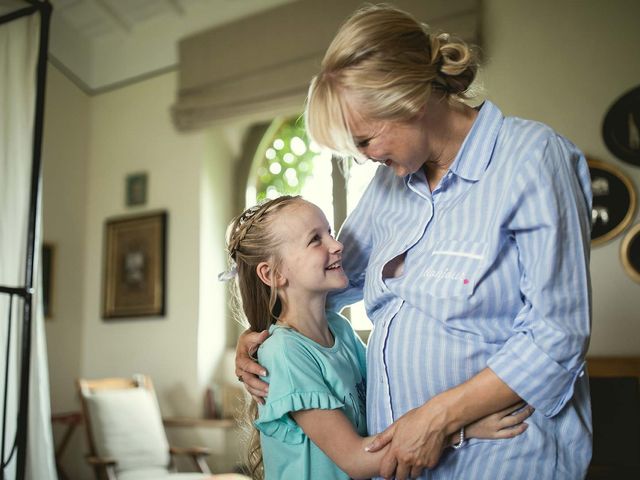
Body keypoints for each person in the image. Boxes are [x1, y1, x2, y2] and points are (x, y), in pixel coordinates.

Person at [236, 5, 592, 480]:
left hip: (502, 458)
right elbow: (321, 283)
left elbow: (558, 336)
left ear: (410, 99)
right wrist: (262, 338)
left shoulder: (531, 159)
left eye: (364, 140)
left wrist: (441, 419)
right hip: (406, 463)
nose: (364, 159)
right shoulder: (390, 186)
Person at [224, 196, 533, 480]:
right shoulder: (285, 352)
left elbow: (381, 413)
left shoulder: (340, 331)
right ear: (273, 275)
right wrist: (458, 429)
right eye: (315, 240)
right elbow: (358, 460)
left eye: (330, 231)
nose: (337, 244)